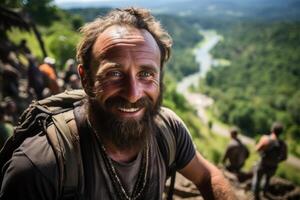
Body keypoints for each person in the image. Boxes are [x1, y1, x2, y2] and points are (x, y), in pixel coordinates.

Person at [0, 8, 236, 200]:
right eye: (114, 73)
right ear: (86, 78)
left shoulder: (168, 129)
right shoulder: (41, 167)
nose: (133, 94)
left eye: (146, 74)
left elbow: (207, 177)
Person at [252, 122, 288, 200]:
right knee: (267, 180)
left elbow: (257, 149)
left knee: (257, 180)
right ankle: (264, 194)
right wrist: (276, 161)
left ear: (272, 129)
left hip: (263, 164)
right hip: (273, 165)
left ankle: (255, 196)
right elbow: (284, 157)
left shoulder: (266, 138)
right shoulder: (283, 144)